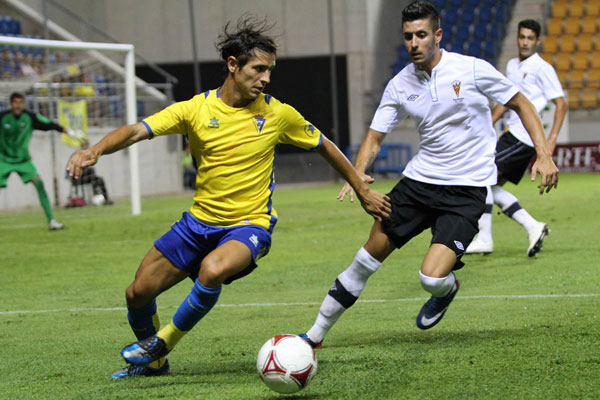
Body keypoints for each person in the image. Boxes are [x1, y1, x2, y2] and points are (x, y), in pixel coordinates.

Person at [66, 16, 391, 379]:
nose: (266, 78)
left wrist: (361, 189)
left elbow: (325, 145)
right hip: (197, 224)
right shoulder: (195, 110)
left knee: (213, 269)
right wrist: (94, 151)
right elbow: (136, 131)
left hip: (249, 225)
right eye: (258, 69)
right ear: (233, 66)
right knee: (136, 294)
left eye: (270, 70)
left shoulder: (277, 113)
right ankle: (156, 364)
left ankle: (163, 342)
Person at [299, 1, 558, 349]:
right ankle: (313, 336)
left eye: (421, 35)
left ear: (437, 35)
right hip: (418, 185)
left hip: (465, 192)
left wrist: (543, 154)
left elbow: (522, 103)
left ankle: (447, 289)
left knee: (430, 278)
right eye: (408, 37)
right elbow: (374, 138)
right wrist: (357, 174)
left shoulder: (471, 69)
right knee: (364, 260)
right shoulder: (399, 85)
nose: (414, 43)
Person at [466, 19, 566, 257]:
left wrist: (550, 140)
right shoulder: (512, 65)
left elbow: (561, 103)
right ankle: (533, 226)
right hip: (511, 135)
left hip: (524, 138)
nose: (525, 42)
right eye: (522, 37)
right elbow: (508, 99)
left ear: (538, 41)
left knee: (482, 178)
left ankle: (485, 238)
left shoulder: (542, 68)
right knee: (491, 186)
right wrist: (488, 122)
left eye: (530, 38)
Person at [0, 92, 66, 230]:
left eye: (20, 102)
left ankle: (51, 221)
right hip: (3, 160)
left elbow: (47, 124)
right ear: (11, 104)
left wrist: (62, 129)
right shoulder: (2, 117)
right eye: (15, 103)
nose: (18, 105)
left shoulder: (30, 117)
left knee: (39, 184)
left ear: (23, 104)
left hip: (24, 161)